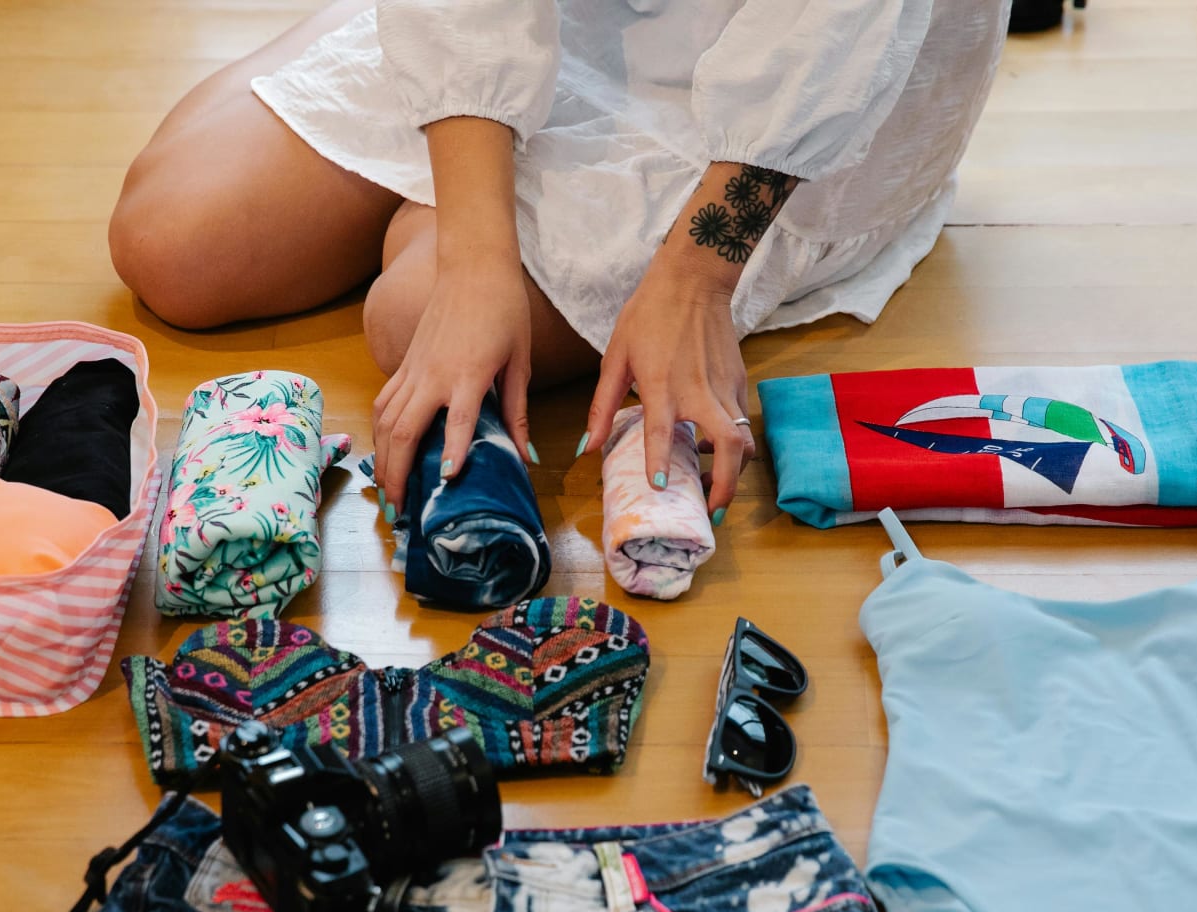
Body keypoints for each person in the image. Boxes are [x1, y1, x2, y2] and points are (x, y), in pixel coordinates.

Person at [110, 0, 1010, 526]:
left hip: (821, 70)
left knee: (408, 310)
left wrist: (697, 277)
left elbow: (838, 31)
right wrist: (477, 260)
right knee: (174, 248)